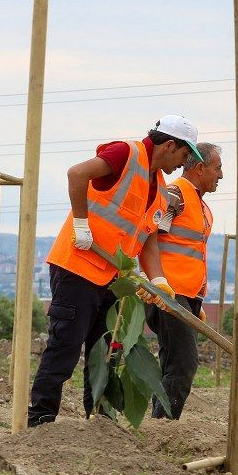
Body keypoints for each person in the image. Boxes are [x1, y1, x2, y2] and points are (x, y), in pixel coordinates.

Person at [29, 116, 204, 426]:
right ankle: (40, 419)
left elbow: (149, 241)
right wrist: (81, 222)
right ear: (169, 145)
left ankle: (100, 422)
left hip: (111, 277)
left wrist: (159, 280)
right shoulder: (126, 153)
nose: (183, 164)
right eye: (184, 156)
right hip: (77, 268)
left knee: (105, 353)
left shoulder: (161, 188)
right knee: (65, 349)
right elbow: (77, 173)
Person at [146, 142, 222, 420]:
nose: (221, 175)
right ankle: (164, 424)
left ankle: (159, 424)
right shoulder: (174, 195)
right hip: (167, 293)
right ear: (200, 168)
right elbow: (148, 235)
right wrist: (150, 280)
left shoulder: (199, 204)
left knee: (172, 361)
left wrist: (195, 301)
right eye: (218, 168)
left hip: (184, 297)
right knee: (184, 363)